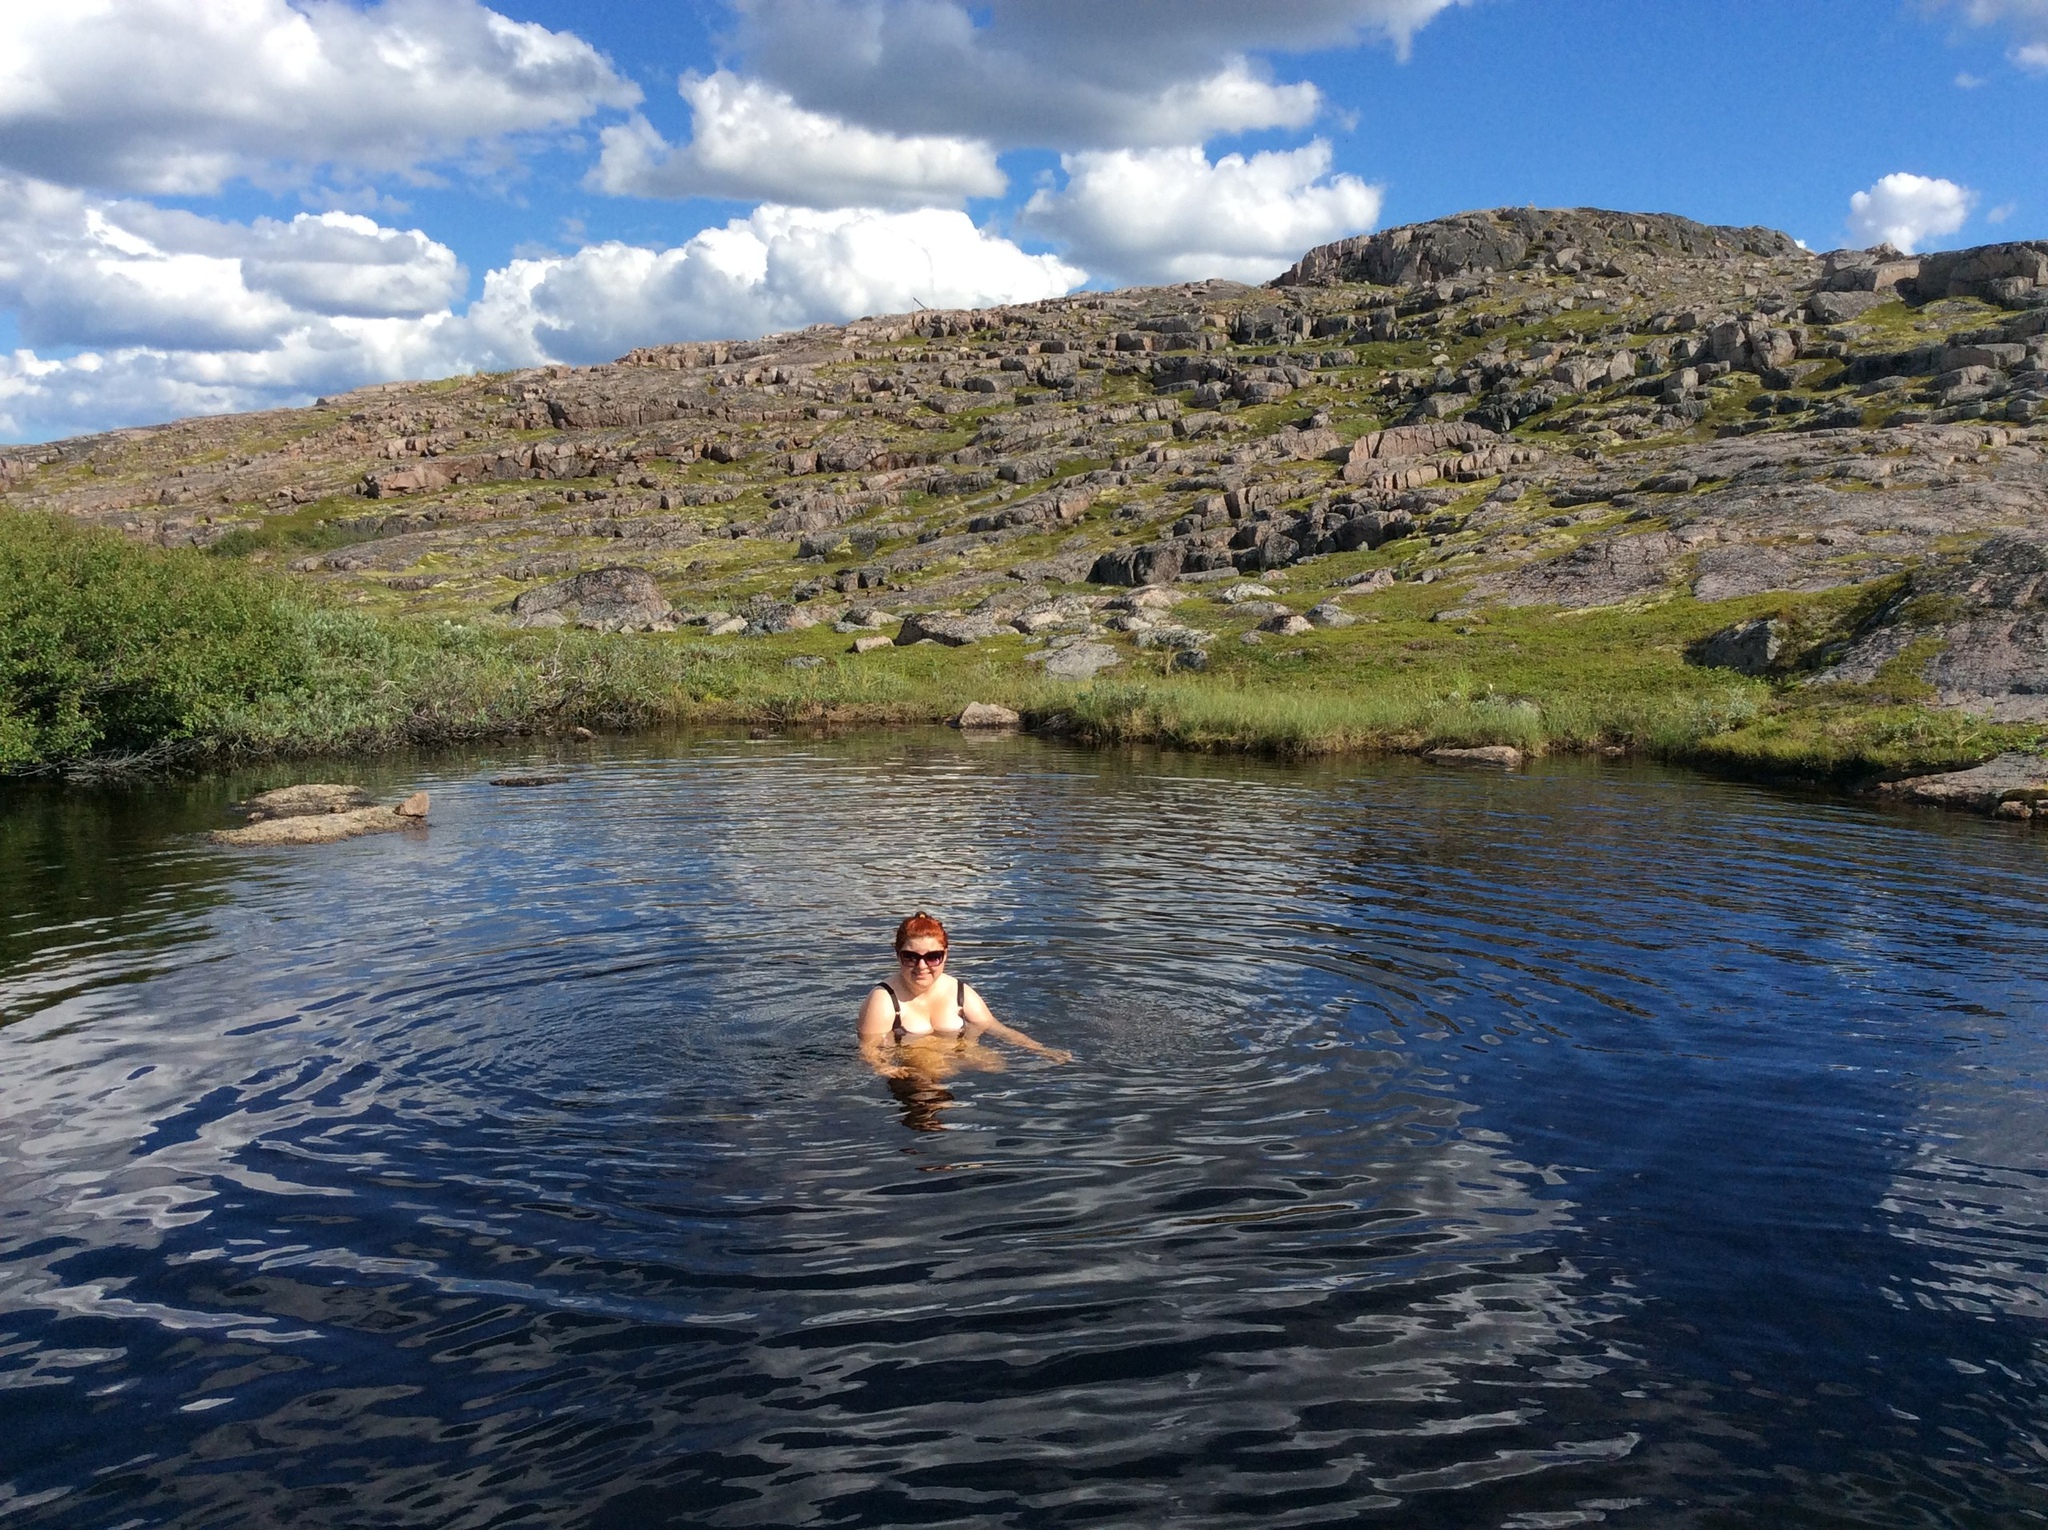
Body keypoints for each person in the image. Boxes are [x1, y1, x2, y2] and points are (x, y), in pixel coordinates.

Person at [857, 912, 1072, 1079]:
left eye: (932, 957)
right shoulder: (884, 999)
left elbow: (995, 1027)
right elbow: (868, 1049)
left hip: (960, 1051)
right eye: (911, 957)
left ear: (945, 955)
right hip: (916, 1065)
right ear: (897, 955)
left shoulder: (959, 992)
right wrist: (882, 1068)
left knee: (997, 1066)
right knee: (936, 1069)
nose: (921, 966)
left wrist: (1042, 1050)